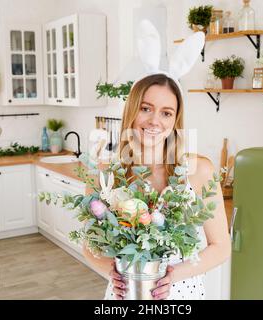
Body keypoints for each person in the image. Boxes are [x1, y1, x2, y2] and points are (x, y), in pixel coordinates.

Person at [83, 73, 231, 300]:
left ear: (175, 120)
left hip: (182, 293)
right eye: (145, 108)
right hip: (126, 294)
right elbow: (89, 246)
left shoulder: (199, 170)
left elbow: (221, 247)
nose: (155, 121)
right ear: (131, 110)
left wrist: (171, 276)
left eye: (166, 113)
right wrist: (113, 272)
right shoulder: (104, 175)